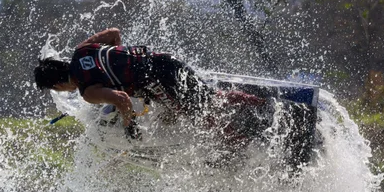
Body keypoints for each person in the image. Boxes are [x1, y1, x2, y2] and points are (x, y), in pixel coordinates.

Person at [34, 28, 266, 141]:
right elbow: (114, 33)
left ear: (57, 84)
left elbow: (123, 101)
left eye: (56, 89)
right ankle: (259, 102)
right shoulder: (82, 49)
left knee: (199, 115)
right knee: (209, 97)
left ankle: (238, 144)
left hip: (157, 81)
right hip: (163, 59)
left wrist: (129, 125)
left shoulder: (88, 92)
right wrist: (119, 62)